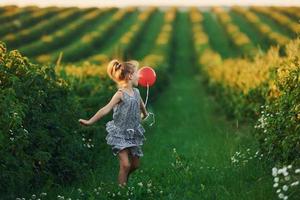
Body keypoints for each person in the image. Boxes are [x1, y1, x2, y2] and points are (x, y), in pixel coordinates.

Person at [78, 59, 149, 187]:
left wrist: (144, 113)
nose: (140, 75)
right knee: (125, 164)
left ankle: (124, 178)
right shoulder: (120, 94)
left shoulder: (137, 92)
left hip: (133, 132)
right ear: (130, 76)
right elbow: (105, 109)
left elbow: (140, 104)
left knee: (135, 165)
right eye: (137, 73)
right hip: (119, 133)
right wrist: (89, 121)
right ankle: (121, 192)